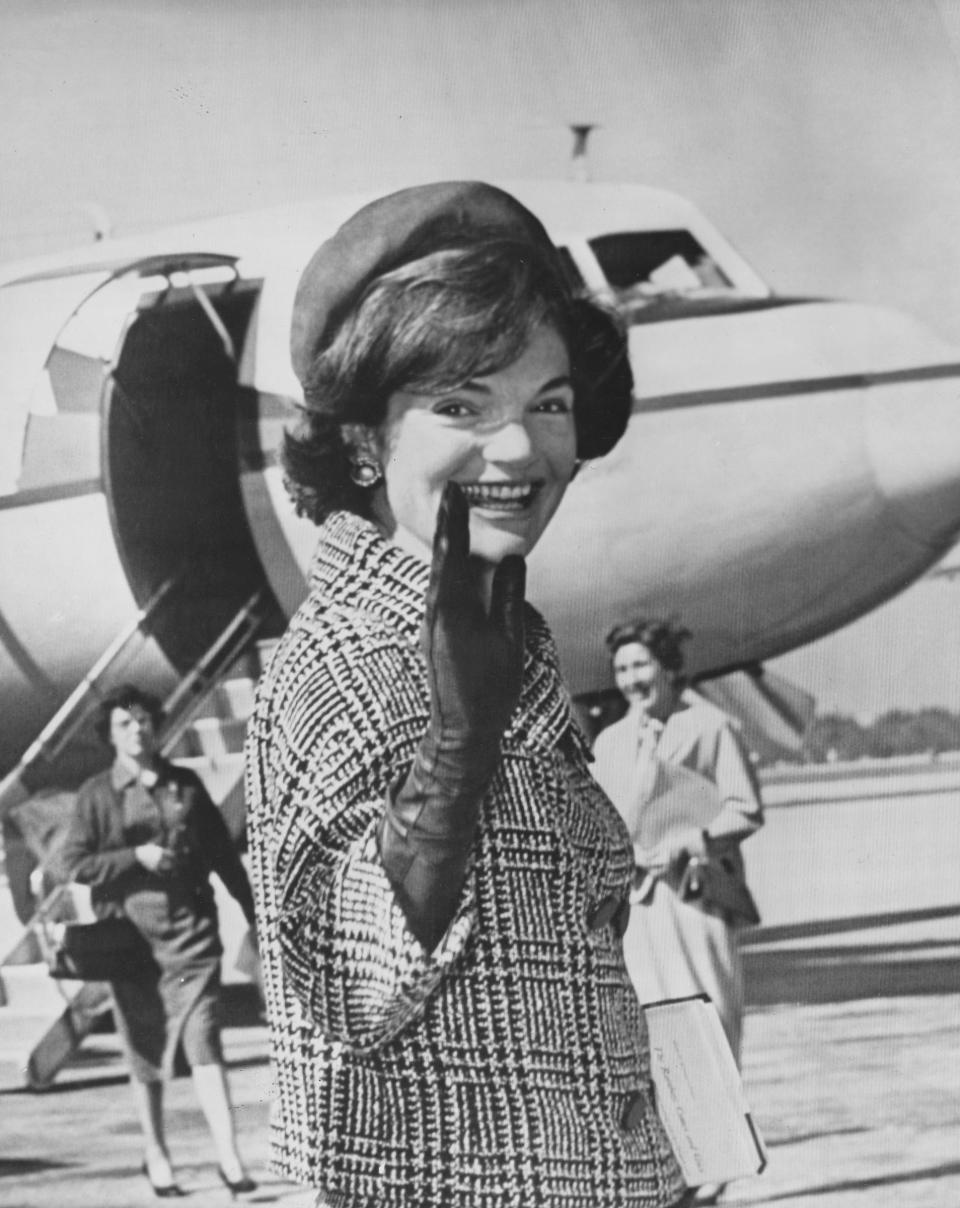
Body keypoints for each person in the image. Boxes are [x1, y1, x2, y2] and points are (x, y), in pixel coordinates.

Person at [245, 181, 691, 1208]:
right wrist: (451, 759)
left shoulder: (497, 642)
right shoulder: (349, 663)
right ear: (364, 438)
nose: (519, 448)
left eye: (549, 401)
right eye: (460, 404)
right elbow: (345, 985)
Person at [60, 684, 258, 1198]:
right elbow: (74, 864)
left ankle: (230, 1159)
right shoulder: (97, 795)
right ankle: (156, 1154)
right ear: (109, 735)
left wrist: (253, 911)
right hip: (130, 941)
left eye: (144, 720)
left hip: (191, 938)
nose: (138, 730)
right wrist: (135, 859)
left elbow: (223, 857)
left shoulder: (185, 786)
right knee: (144, 1051)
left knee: (205, 1041)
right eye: (125, 724)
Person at [592, 620, 764, 1206]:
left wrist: (686, 842)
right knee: (653, 1033)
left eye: (642, 665)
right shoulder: (611, 741)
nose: (632, 679)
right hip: (642, 907)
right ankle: (672, 1176)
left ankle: (710, 1177)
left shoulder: (711, 728)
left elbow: (745, 810)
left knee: (710, 1025)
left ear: (667, 668)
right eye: (622, 669)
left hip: (695, 898)